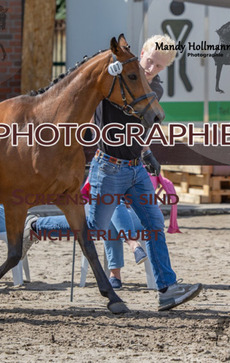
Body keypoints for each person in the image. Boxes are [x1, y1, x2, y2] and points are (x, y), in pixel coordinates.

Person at [79, 34, 201, 310]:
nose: (151, 68)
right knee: (94, 228)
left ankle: (167, 289)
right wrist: (106, 73)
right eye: (150, 61)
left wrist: (146, 152)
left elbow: (138, 128)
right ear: (142, 53)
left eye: (159, 66)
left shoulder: (154, 89)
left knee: (154, 224)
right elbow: (89, 87)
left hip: (135, 168)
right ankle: (37, 227)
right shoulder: (115, 74)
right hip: (108, 166)